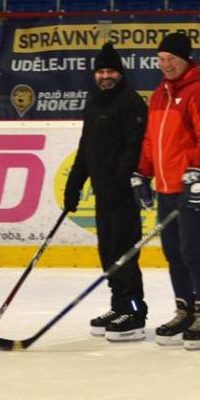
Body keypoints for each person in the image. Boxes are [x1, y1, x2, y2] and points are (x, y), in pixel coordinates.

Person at [133, 31, 200, 350]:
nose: (166, 64)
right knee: (173, 253)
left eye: (172, 59)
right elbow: (150, 139)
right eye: (161, 59)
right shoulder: (159, 94)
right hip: (166, 188)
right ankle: (184, 310)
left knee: (192, 250)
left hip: (194, 188)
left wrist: (197, 173)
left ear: (186, 60)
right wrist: (142, 173)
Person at [63, 42, 151, 341]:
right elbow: (86, 147)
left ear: (120, 73)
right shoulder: (94, 102)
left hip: (123, 195)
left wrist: (118, 183)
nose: (105, 76)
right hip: (103, 194)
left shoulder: (131, 103)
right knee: (108, 253)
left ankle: (135, 312)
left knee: (125, 255)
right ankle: (119, 306)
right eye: (100, 71)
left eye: (111, 71)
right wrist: (74, 185)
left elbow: (133, 148)